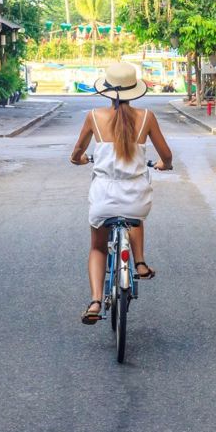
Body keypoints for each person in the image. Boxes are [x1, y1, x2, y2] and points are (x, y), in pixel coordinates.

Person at [70, 61, 173, 325]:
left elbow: (76, 153)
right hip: (136, 196)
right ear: (134, 90)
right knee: (134, 217)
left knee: (97, 247)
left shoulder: (93, 117)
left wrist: (79, 160)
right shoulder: (147, 117)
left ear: (106, 90)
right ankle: (139, 262)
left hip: (104, 197)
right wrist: (165, 165)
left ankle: (95, 300)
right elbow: (166, 155)